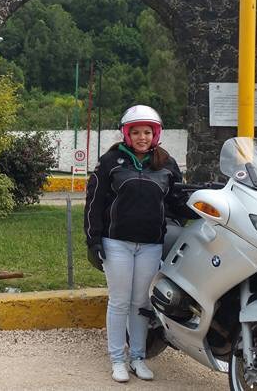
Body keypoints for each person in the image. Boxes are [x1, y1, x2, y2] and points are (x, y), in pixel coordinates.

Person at [83, 104, 187, 383]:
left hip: (151, 244)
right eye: (137, 132)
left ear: (156, 134)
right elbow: (94, 203)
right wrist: (93, 240)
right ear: (127, 134)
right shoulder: (110, 162)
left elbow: (178, 201)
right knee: (119, 301)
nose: (143, 137)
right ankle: (118, 359)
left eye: (148, 132)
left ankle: (138, 357)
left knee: (141, 303)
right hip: (116, 242)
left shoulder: (166, 163)